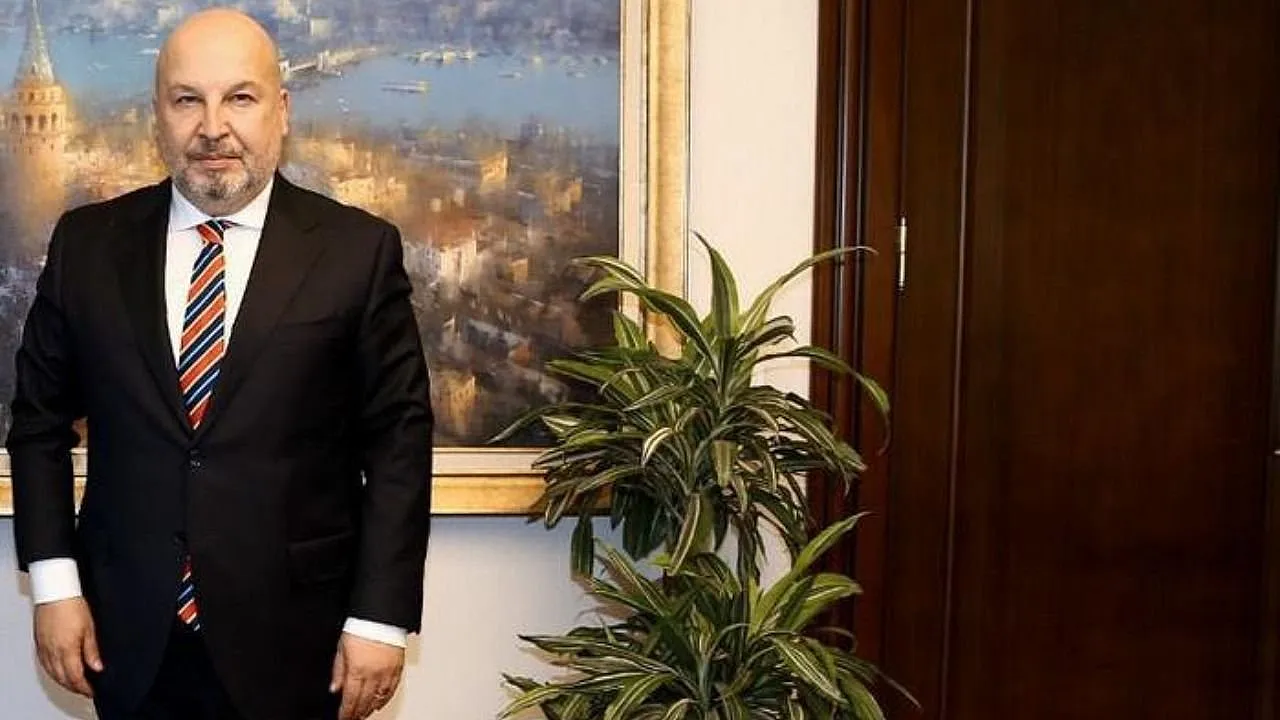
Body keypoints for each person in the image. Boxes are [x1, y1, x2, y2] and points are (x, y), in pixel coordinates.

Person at [7, 7, 433, 720]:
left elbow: (398, 440)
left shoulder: (357, 252)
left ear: (281, 110)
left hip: (301, 641)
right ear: (158, 116)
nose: (213, 127)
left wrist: (380, 619)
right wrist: (54, 587)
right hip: (125, 637)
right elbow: (37, 422)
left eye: (240, 97)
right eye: (187, 100)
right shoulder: (87, 245)